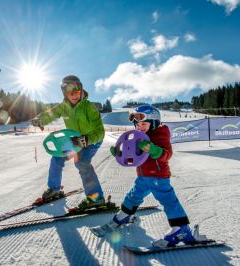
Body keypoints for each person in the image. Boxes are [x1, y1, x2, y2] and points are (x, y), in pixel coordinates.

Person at [107, 105, 196, 247]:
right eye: (137, 124)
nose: (140, 127)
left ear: (154, 122)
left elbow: (167, 154)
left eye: (144, 123)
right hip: (142, 176)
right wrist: (120, 153)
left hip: (159, 177)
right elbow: (132, 155)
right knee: (133, 196)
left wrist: (154, 150)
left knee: (168, 201)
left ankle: (181, 229)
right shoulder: (138, 136)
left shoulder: (160, 134)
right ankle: (124, 215)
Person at [31, 75, 105, 209]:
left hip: (91, 141)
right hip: (74, 141)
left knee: (81, 162)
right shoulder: (63, 106)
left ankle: (96, 198)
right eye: (70, 93)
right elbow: (51, 113)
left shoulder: (89, 107)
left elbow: (100, 132)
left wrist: (87, 139)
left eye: (76, 92)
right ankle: (54, 189)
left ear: (81, 90)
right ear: (65, 94)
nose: (74, 96)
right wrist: (40, 119)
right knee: (57, 159)